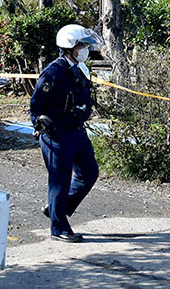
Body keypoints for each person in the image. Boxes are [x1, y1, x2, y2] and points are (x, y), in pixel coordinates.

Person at [30, 24, 103, 243]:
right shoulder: (53, 72)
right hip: (56, 134)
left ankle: (57, 209)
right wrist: (40, 122)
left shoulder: (81, 68)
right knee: (59, 181)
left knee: (90, 173)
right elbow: (36, 105)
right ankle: (58, 228)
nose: (85, 49)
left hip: (77, 132)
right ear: (70, 47)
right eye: (81, 45)